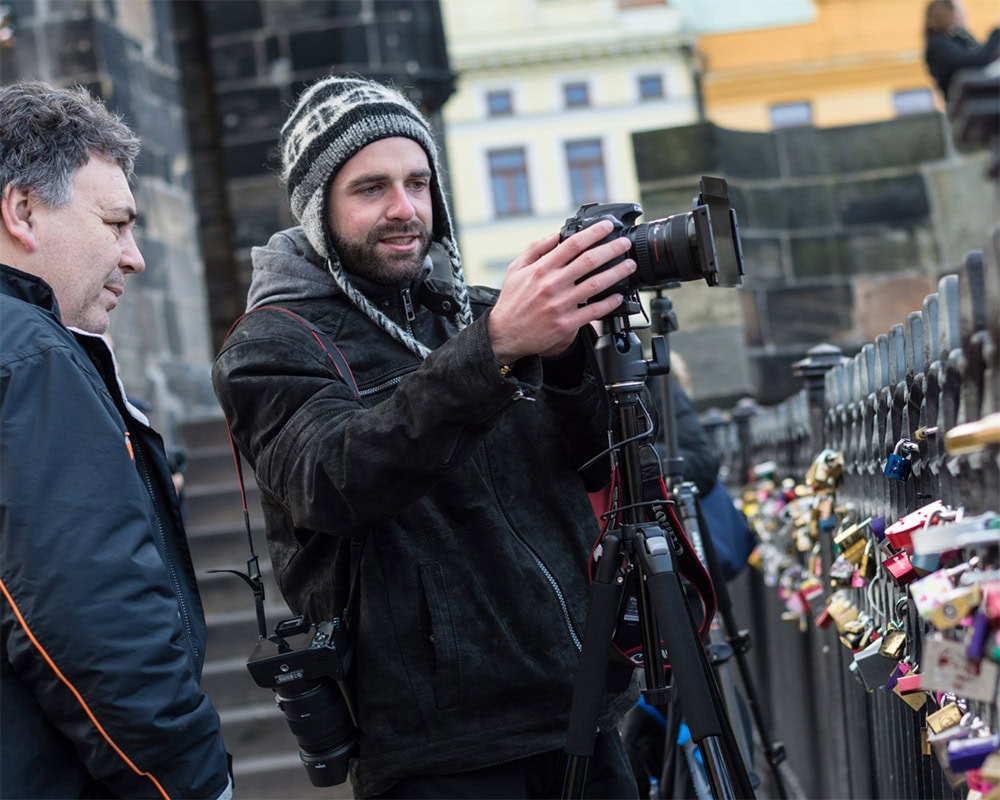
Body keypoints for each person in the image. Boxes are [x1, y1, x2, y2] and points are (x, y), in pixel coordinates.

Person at [212, 74, 642, 798]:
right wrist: (497, 347)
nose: (404, 209)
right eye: (371, 187)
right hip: (440, 753)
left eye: (418, 182)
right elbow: (335, 477)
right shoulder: (273, 346)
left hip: (580, 710)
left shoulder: (477, 312)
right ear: (318, 207)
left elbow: (597, 466)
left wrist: (566, 356)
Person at [0, 81, 232, 799]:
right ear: (22, 210)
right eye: (115, 222)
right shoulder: (30, 357)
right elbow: (92, 621)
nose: (133, 257)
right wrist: (191, 782)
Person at [923, 0, 999, 102]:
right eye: (959, 11)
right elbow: (977, 61)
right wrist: (996, 32)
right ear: (945, 13)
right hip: (968, 106)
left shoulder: (959, 39)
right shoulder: (938, 45)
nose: (963, 15)